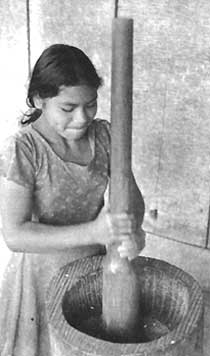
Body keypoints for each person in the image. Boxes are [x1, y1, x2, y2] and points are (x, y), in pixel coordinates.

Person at [0, 43, 145, 356]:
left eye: (90, 105)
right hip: (41, 278)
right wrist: (93, 232)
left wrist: (133, 232)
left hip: (92, 272)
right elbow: (14, 234)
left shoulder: (105, 137)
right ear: (40, 99)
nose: (82, 118)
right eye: (68, 108)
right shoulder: (24, 150)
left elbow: (133, 201)